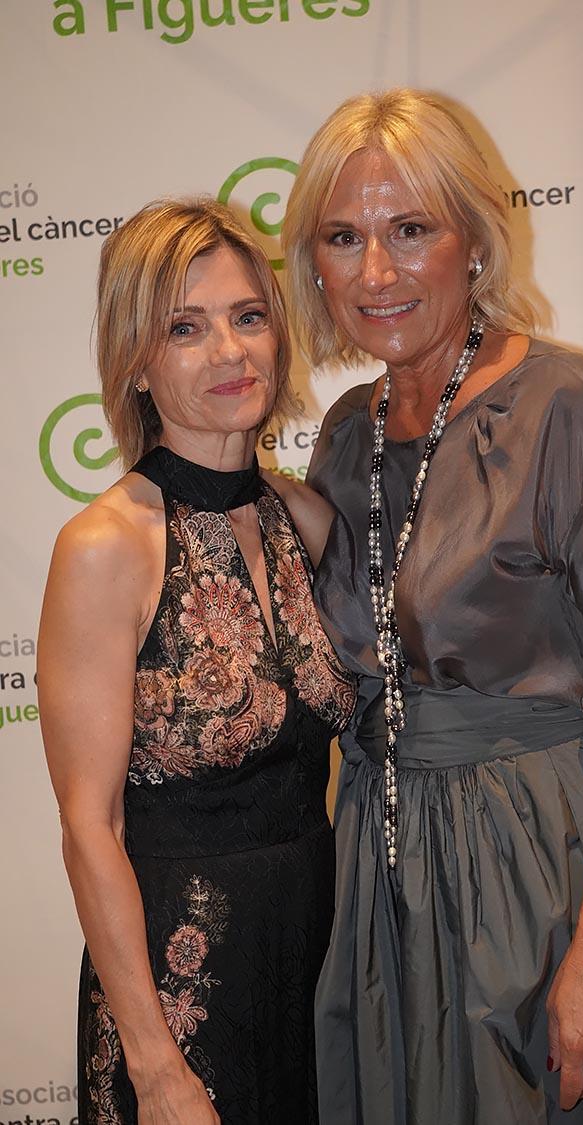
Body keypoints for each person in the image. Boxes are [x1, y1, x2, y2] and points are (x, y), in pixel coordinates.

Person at [282, 89, 583, 1124]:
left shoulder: (565, 407)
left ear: (474, 242)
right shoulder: (346, 435)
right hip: (389, 884)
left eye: (411, 229)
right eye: (343, 237)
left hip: (546, 878)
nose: (376, 271)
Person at [38, 198, 355, 1125]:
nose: (229, 350)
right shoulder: (105, 546)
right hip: (178, 996)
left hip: (319, 971)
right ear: (137, 361)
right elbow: (88, 825)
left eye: (248, 316)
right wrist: (156, 1066)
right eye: (186, 327)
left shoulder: (306, 518)